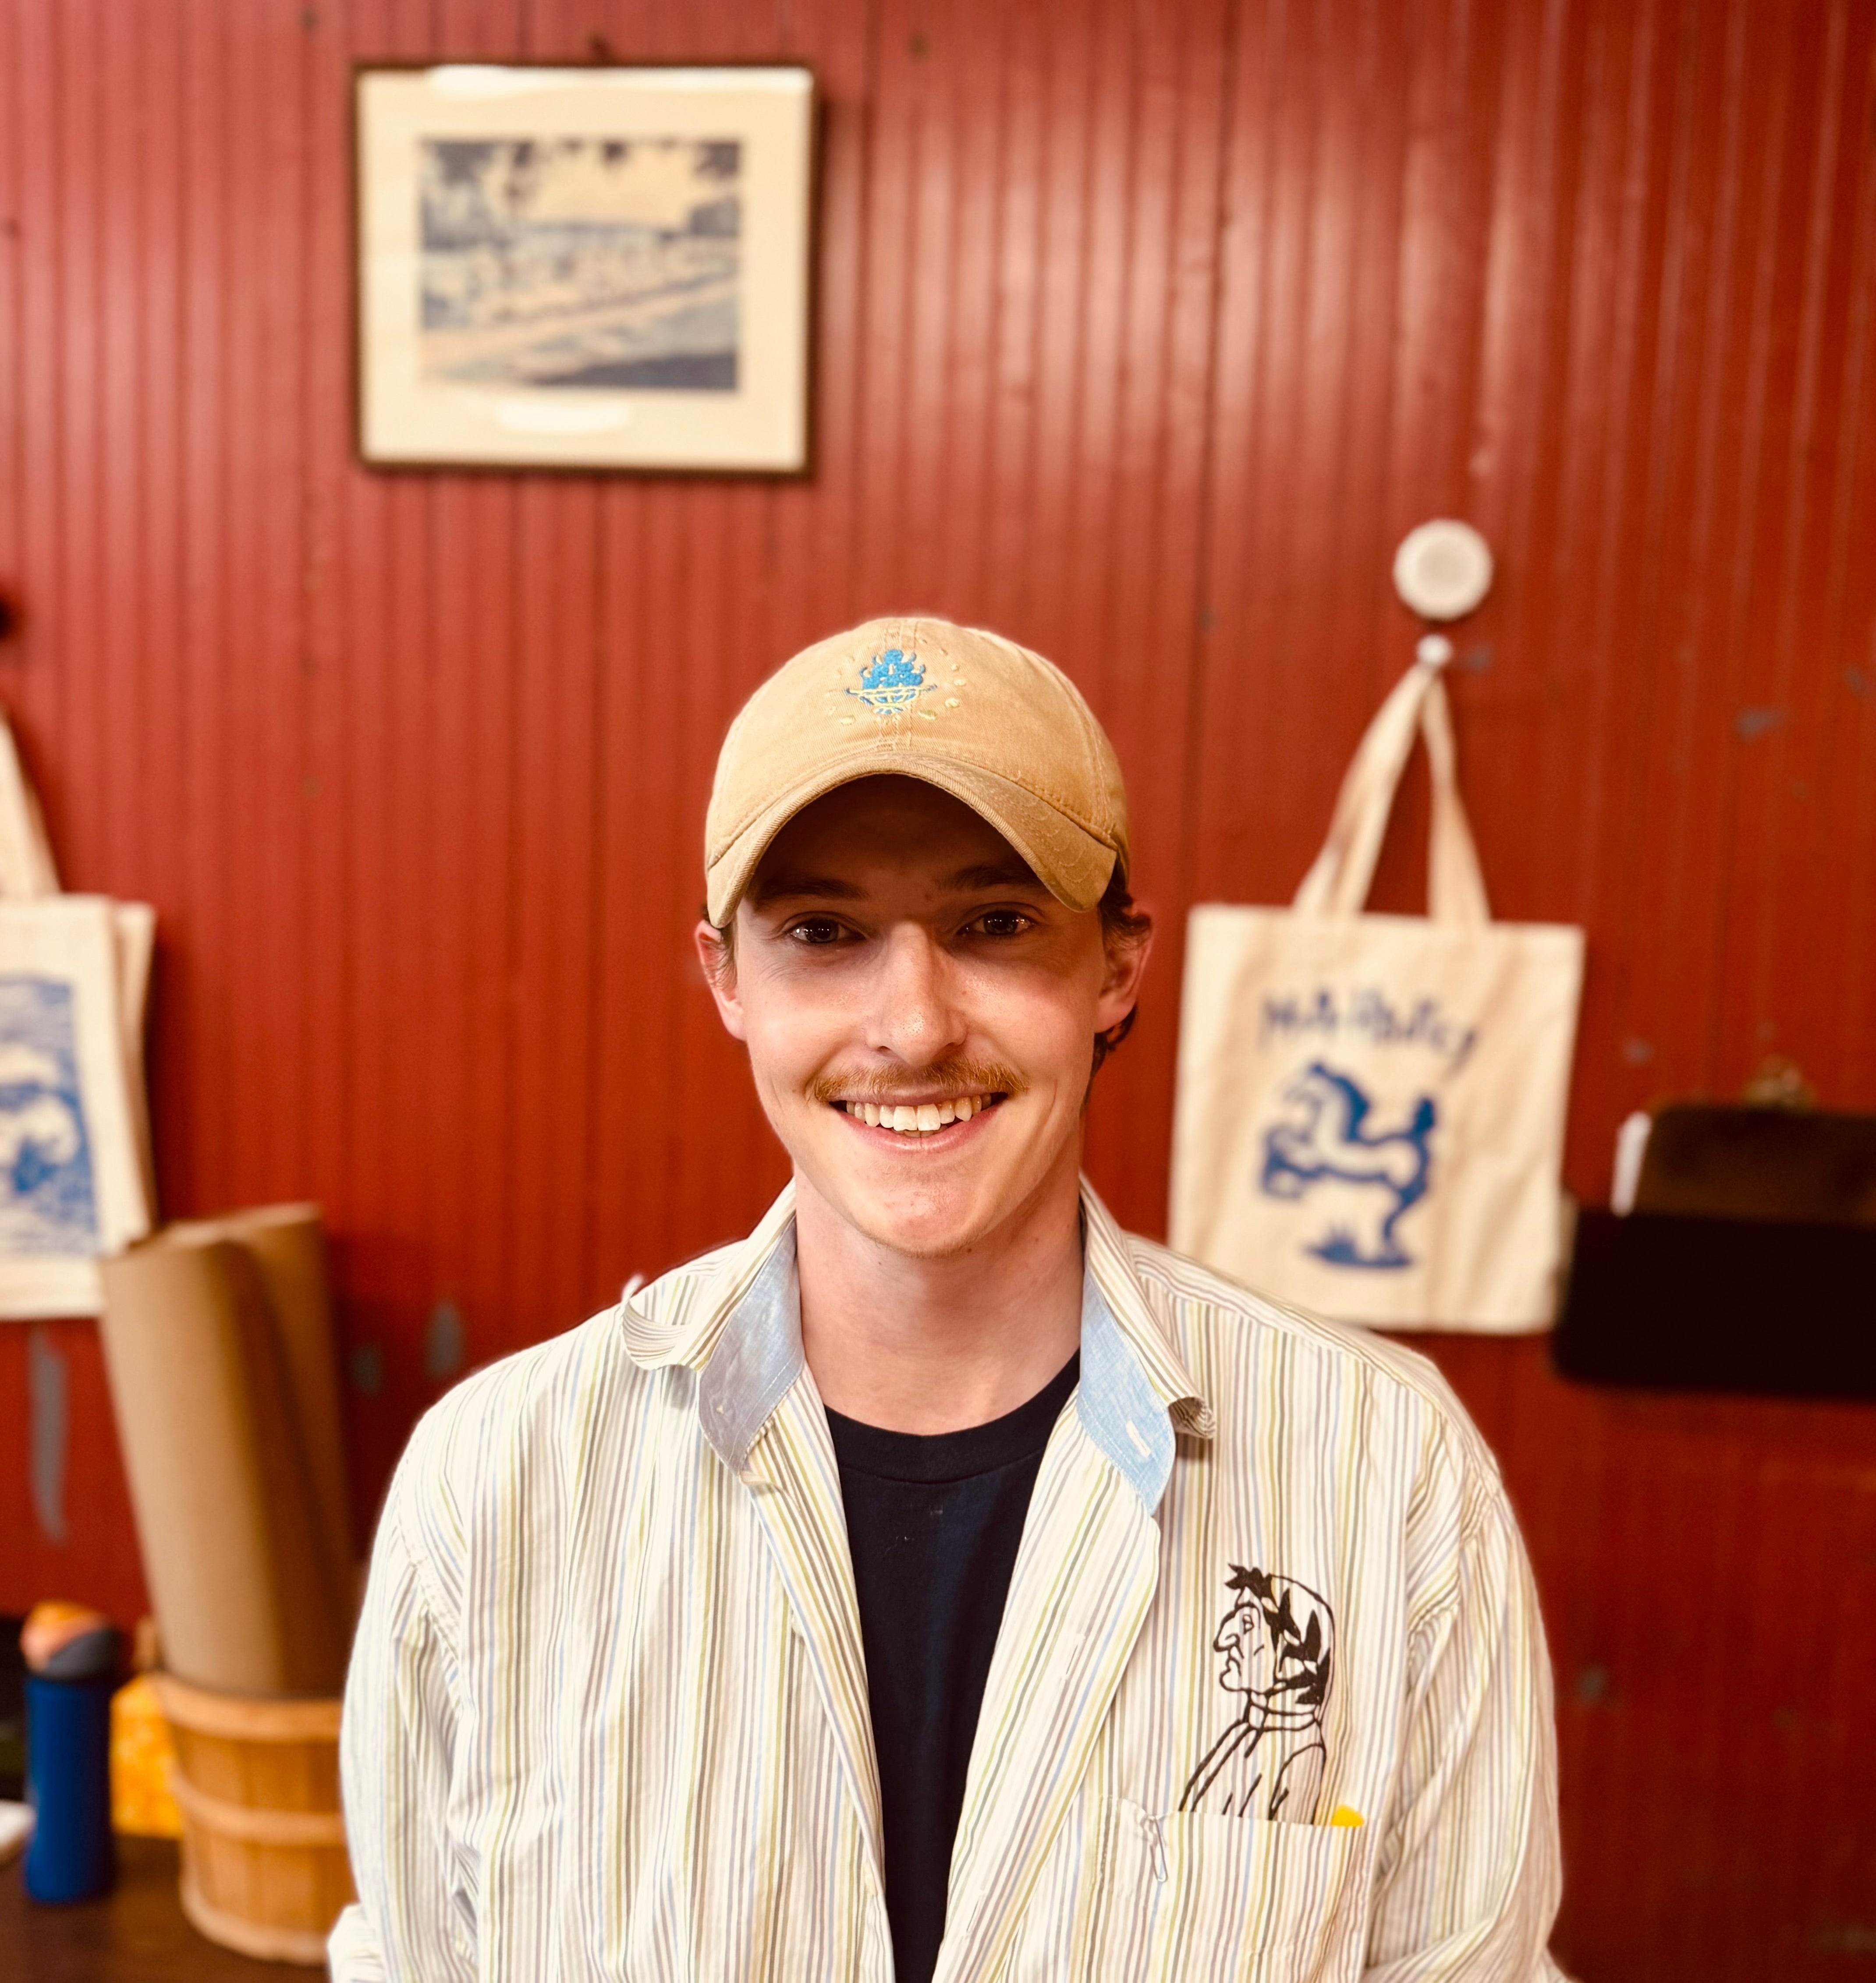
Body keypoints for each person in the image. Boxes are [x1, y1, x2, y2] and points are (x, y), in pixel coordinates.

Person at [331, 617, 1567, 1982]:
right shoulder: (497, 1481)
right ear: (725, 978)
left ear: (1115, 966)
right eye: (822, 931)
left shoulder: (1382, 1471)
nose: (912, 1025)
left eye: (994, 923)